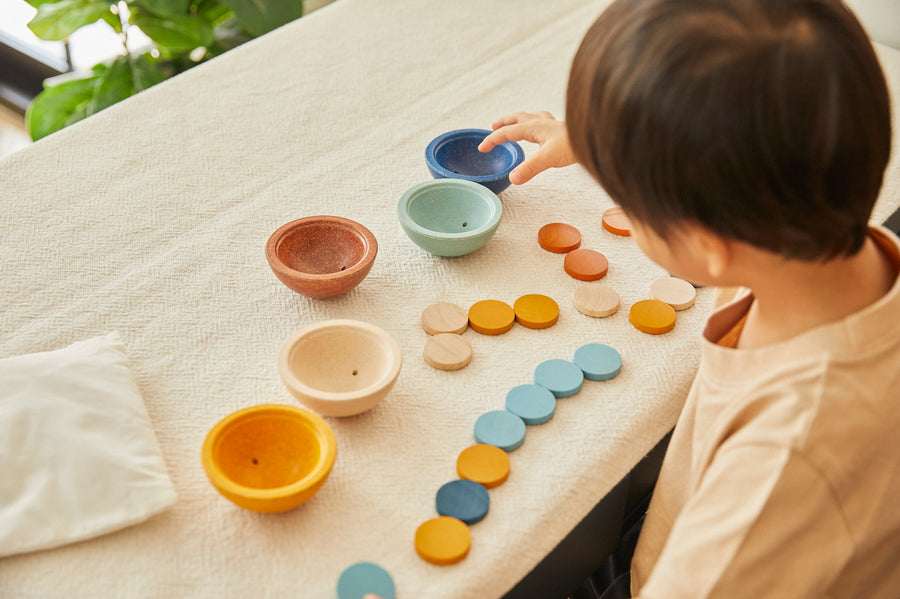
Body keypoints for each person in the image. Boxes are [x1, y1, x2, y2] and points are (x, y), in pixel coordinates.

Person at [367, 0, 900, 596]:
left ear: (709, 243)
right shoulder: (807, 239)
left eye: (628, 195)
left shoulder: (780, 468)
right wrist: (607, 143)